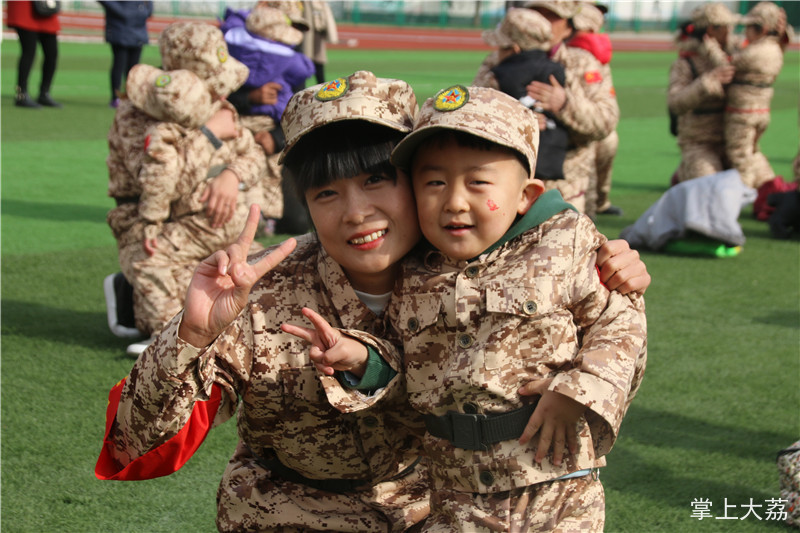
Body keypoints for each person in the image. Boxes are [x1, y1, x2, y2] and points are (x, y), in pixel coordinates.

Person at [95, 71, 652, 531]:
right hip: (287, 515)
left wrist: (615, 272)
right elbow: (134, 443)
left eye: (377, 180)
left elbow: (563, 267)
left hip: (437, 513)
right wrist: (192, 335)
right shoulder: (260, 294)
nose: (356, 212)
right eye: (327, 192)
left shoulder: (474, 267)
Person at [303, 85, 647, 531]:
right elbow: (404, 361)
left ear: (526, 195)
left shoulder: (565, 243)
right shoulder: (414, 269)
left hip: (554, 482)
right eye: (434, 183)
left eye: (478, 182)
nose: (454, 201)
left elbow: (619, 323)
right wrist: (364, 360)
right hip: (455, 492)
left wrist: (577, 390)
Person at [106, 22, 267, 356]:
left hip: (210, 225)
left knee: (260, 283)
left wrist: (231, 175)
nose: (220, 93)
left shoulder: (215, 103)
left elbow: (253, 155)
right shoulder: (136, 116)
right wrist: (209, 135)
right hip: (156, 224)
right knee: (163, 283)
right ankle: (153, 321)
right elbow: (162, 184)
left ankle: (137, 294)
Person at [475, 1, 619, 214]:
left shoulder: (582, 63)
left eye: (551, 16)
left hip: (566, 183)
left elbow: (606, 121)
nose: (541, 20)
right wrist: (516, 119)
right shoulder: (499, 60)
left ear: (568, 26)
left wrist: (564, 104)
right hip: (507, 177)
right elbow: (475, 114)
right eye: (535, 12)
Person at [220, 3, 316, 234]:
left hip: (275, 142)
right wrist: (249, 98)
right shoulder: (229, 49)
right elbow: (205, 97)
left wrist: (276, 138)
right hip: (230, 136)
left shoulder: (292, 62)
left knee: (297, 221)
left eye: (297, 26)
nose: (294, 33)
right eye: (289, 23)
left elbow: (300, 112)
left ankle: (267, 216)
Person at [702, 1, 788, 190]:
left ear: (761, 29)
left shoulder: (756, 51)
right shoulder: (774, 48)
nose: (745, 31)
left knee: (739, 157)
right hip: (761, 112)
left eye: (749, 27)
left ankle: (742, 194)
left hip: (742, 113)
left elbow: (726, 64)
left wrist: (710, 47)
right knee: (753, 153)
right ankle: (769, 188)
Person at [481, 7, 569, 182]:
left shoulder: (498, 73)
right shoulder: (558, 70)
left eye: (501, 46)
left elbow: (476, 115)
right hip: (552, 165)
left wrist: (565, 105)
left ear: (514, 49)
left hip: (505, 166)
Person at [667, 3, 740, 184]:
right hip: (699, 142)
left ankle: (686, 173)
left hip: (733, 140)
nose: (730, 31)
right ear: (711, 30)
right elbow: (675, 103)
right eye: (725, 26)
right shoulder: (686, 63)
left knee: (759, 186)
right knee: (710, 187)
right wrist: (707, 83)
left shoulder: (735, 55)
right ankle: (686, 172)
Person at [570, 1, 623, 217]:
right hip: (570, 126)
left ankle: (600, 201)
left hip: (590, 118)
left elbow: (606, 105)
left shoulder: (597, 52)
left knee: (608, 141)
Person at [5, 0, 62, 108]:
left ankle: (44, 93)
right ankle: (22, 95)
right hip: (25, 9)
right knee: (29, 51)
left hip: (45, 8)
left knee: (52, 53)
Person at [98, 1, 153, 108]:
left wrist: (144, 11)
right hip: (120, 30)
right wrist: (123, 11)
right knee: (119, 65)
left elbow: (149, 8)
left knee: (133, 69)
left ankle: (130, 96)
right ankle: (116, 97)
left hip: (138, 32)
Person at [300, 0, 339, 84]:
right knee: (303, 63)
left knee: (318, 63)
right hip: (304, 33)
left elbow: (325, 14)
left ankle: (321, 86)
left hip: (317, 32)